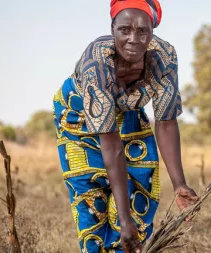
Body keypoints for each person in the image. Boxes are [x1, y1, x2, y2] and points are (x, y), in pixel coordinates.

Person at [52, 1, 199, 252]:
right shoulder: (96, 65)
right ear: (112, 29)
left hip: (128, 114)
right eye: (125, 30)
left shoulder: (164, 58)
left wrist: (179, 184)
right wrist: (124, 220)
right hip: (78, 122)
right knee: (92, 200)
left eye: (143, 31)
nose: (134, 39)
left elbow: (165, 122)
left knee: (139, 188)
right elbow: (112, 147)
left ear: (152, 31)